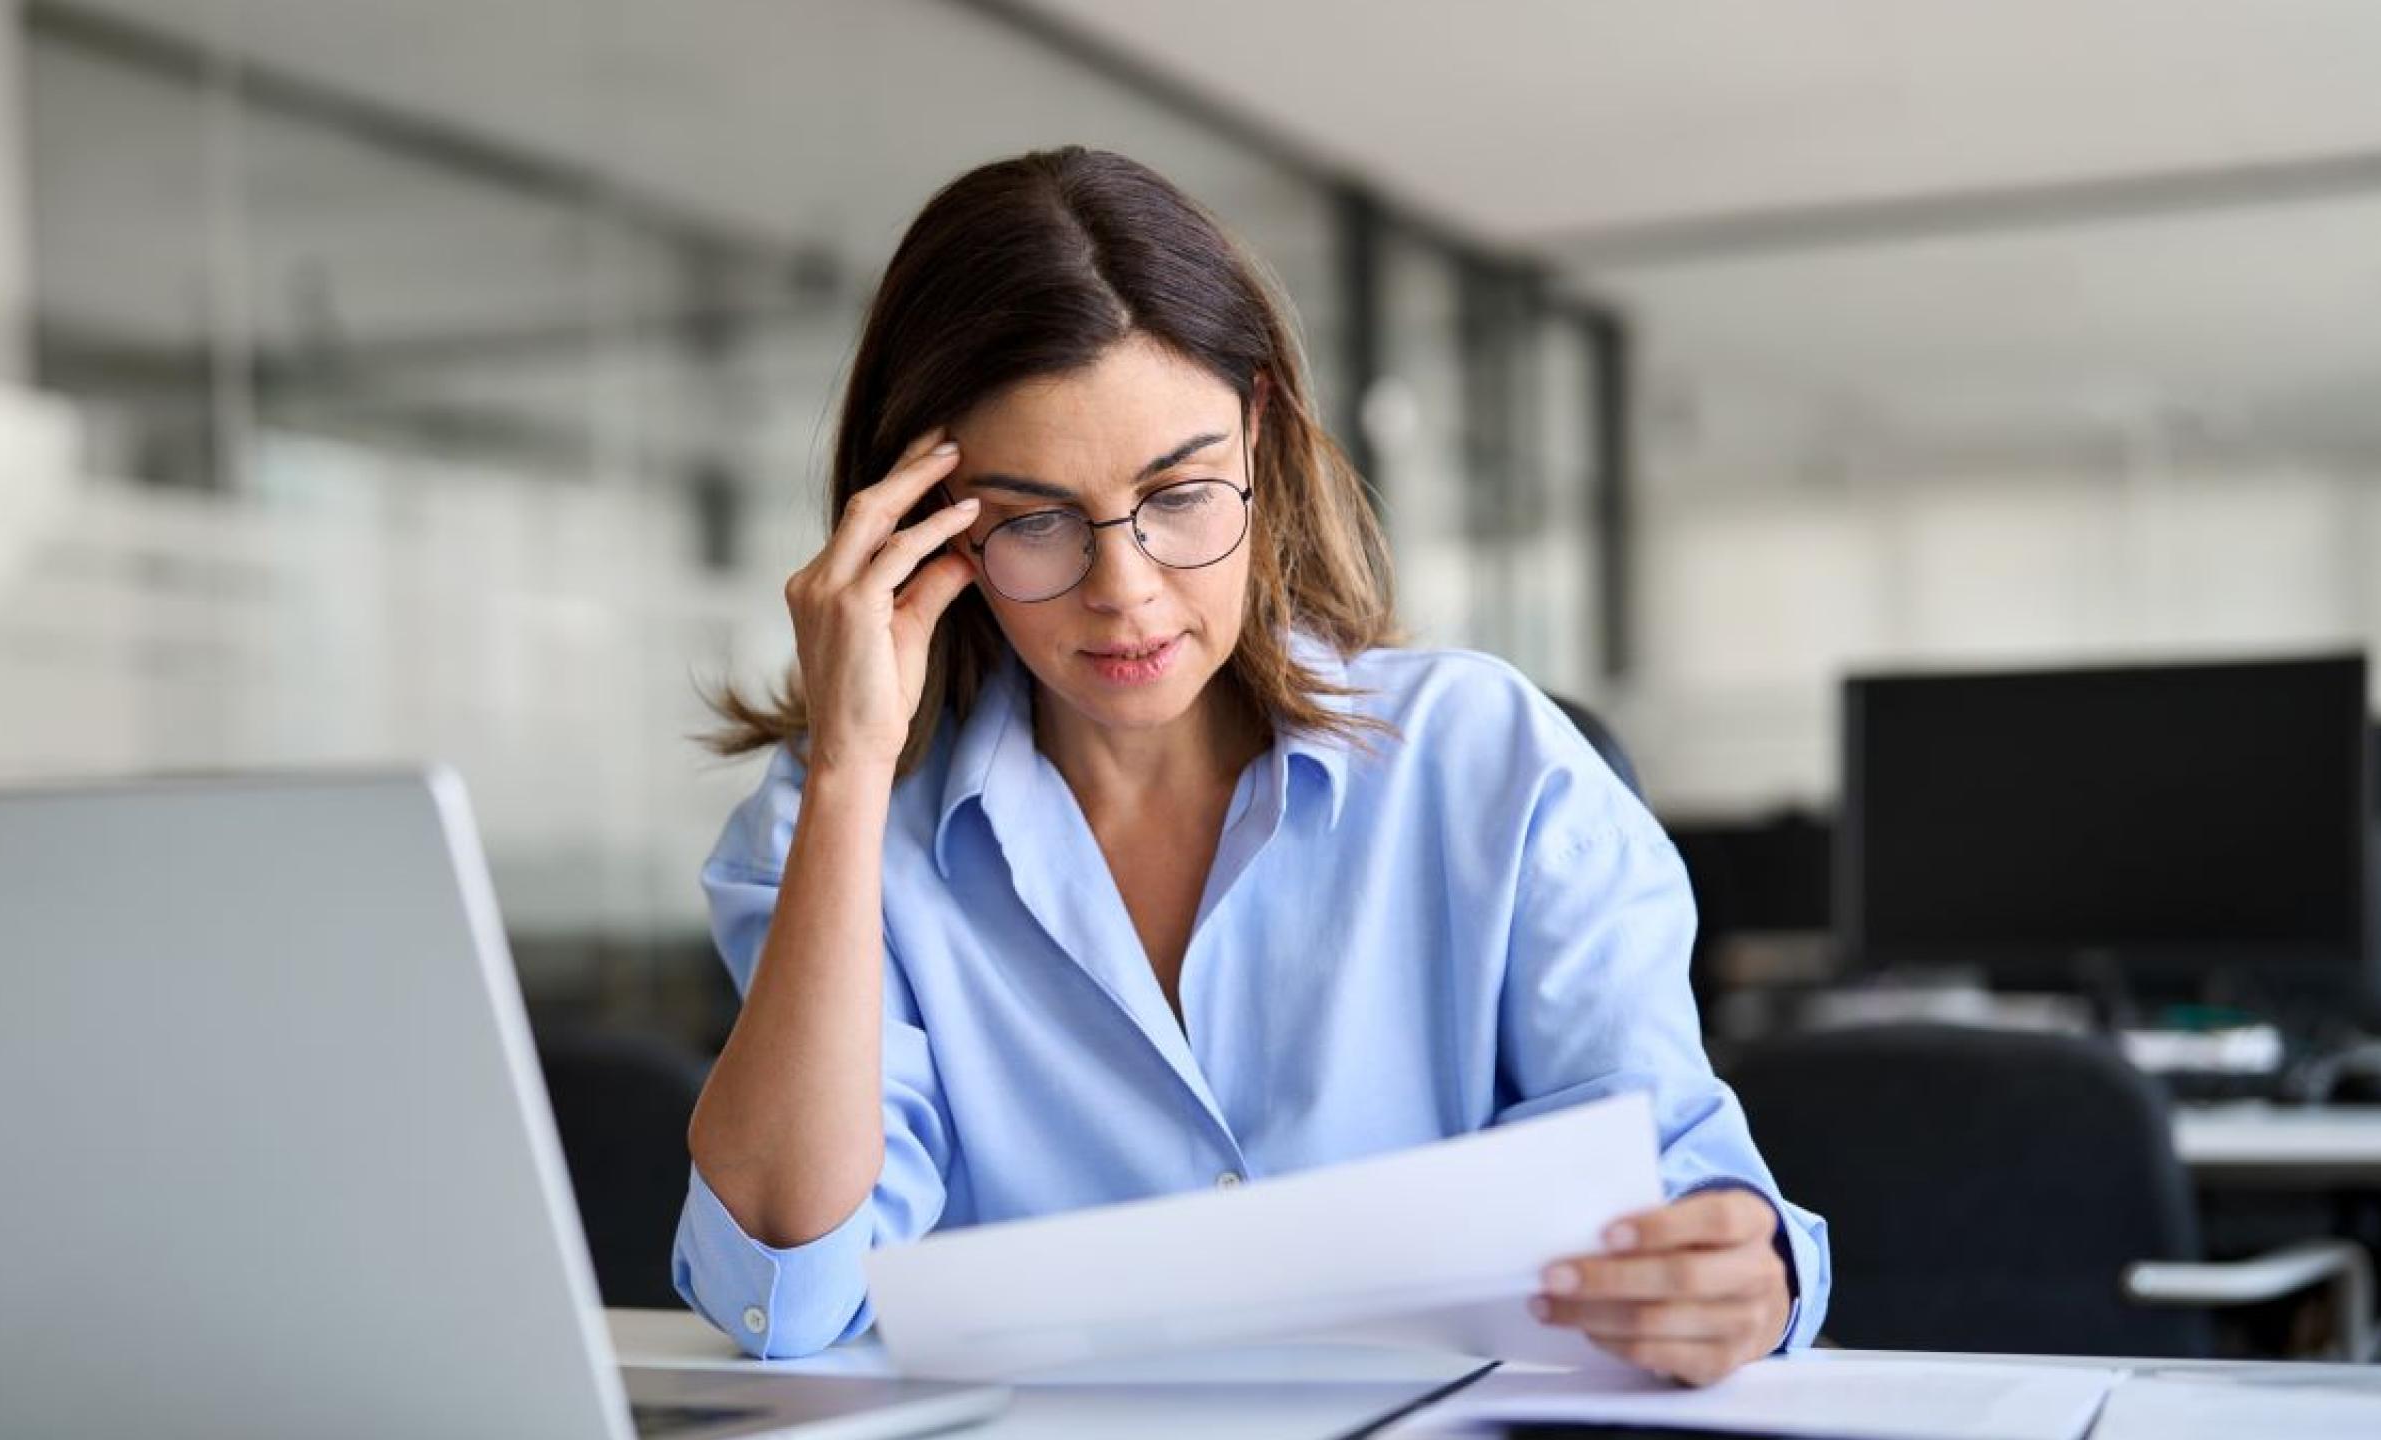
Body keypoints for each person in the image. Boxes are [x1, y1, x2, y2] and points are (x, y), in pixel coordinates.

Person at [677, 146, 1828, 1387]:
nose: (1126, 594)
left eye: (1177, 494)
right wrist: (852, 768)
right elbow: (788, 1287)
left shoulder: (1488, 765)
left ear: (1258, 434)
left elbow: (1678, 1177)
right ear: (918, 527)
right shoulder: (832, 826)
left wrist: (1739, 1269)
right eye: (1032, 520)